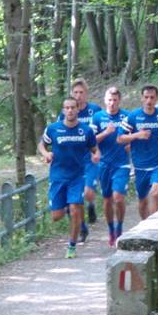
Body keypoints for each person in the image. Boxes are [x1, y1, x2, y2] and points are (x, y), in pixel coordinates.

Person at [40, 97, 101, 259]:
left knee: (75, 210)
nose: (70, 111)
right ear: (63, 110)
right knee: (56, 216)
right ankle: (67, 205)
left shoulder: (86, 130)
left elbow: (94, 148)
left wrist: (96, 156)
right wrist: (46, 154)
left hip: (77, 177)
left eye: (73, 107)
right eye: (66, 108)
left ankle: (72, 246)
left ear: (77, 110)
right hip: (58, 177)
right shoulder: (53, 129)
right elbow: (42, 144)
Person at [117, 85, 158, 219]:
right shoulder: (133, 117)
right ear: (142, 98)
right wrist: (137, 135)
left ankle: (155, 228)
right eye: (146, 97)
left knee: (155, 193)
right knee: (142, 202)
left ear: (156, 99)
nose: (149, 100)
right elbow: (120, 138)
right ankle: (145, 228)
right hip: (140, 167)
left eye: (152, 97)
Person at [57, 79, 103, 240]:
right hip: (71, 162)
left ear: (86, 93)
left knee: (88, 192)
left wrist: (96, 150)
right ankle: (82, 228)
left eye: (81, 92)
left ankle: (91, 205)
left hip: (89, 159)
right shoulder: (65, 113)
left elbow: (103, 132)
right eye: (75, 92)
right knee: (73, 201)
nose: (78, 95)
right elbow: (57, 134)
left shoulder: (95, 111)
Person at [91, 87, 131, 248]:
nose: (112, 103)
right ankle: (111, 231)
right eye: (109, 100)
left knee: (118, 197)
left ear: (119, 100)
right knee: (107, 200)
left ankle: (120, 228)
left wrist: (131, 144)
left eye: (115, 100)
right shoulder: (98, 117)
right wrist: (106, 132)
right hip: (103, 164)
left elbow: (136, 136)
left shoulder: (127, 116)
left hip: (122, 164)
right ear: (105, 100)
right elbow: (91, 140)